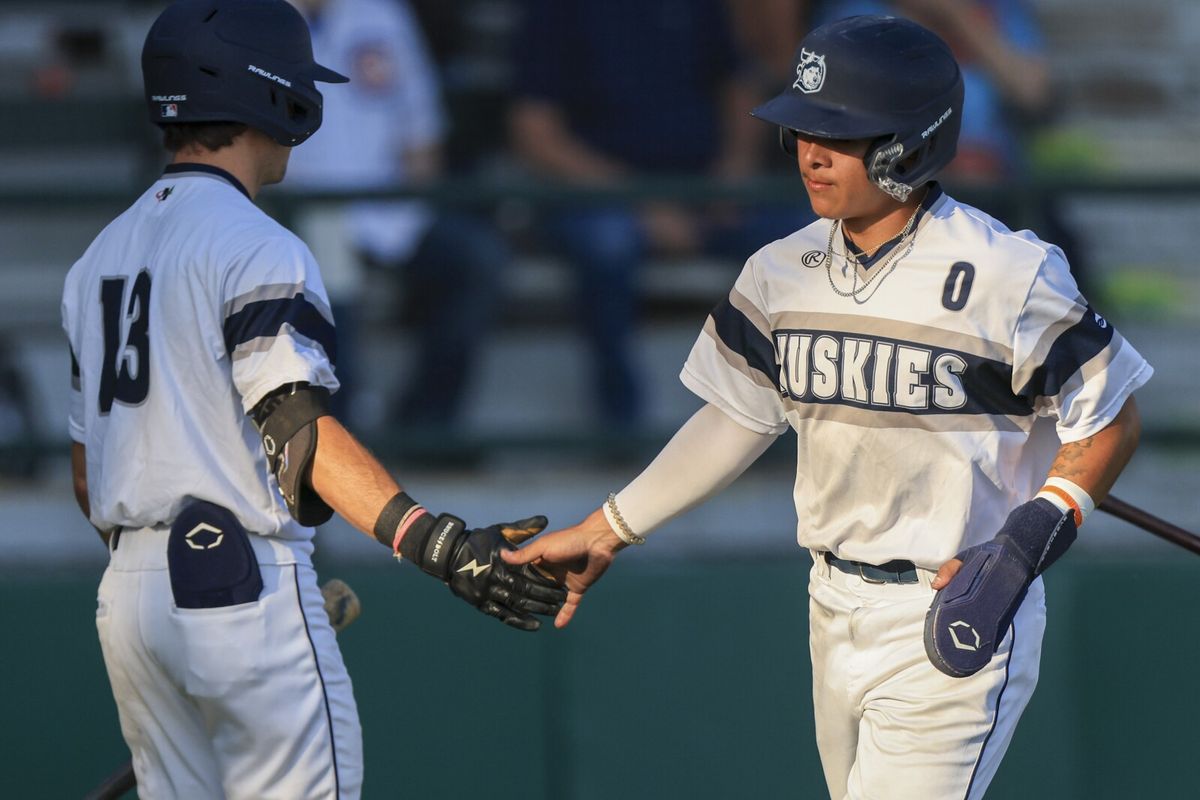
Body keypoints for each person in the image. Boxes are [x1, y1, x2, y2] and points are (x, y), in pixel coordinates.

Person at [504, 15, 1150, 799]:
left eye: (840, 135)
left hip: (953, 610)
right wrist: (607, 529)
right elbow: (738, 415)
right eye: (804, 128)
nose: (810, 151)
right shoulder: (782, 269)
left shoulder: (1008, 271)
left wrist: (1026, 542)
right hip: (830, 601)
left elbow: (1109, 416)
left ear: (910, 143)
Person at [61, 2, 564, 797]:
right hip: (240, 585)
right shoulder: (256, 242)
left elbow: (91, 479)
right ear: (266, 92)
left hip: (131, 603)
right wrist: (434, 543)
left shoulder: (97, 258)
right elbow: (296, 428)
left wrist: (172, 585)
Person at [509, 0, 807, 427]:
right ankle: (622, 426)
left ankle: (801, 413)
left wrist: (734, 171)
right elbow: (534, 132)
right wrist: (639, 203)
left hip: (703, 192)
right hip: (597, 198)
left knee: (804, 236)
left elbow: (737, 82)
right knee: (606, 244)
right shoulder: (556, 11)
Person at [285, 0, 508, 429]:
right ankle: (342, 435)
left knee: (475, 258)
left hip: (392, 210)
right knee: (328, 270)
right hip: (297, 215)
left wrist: (413, 203)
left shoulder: (380, 14)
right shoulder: (247, 17)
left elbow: (422, 135)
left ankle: (426, 425)